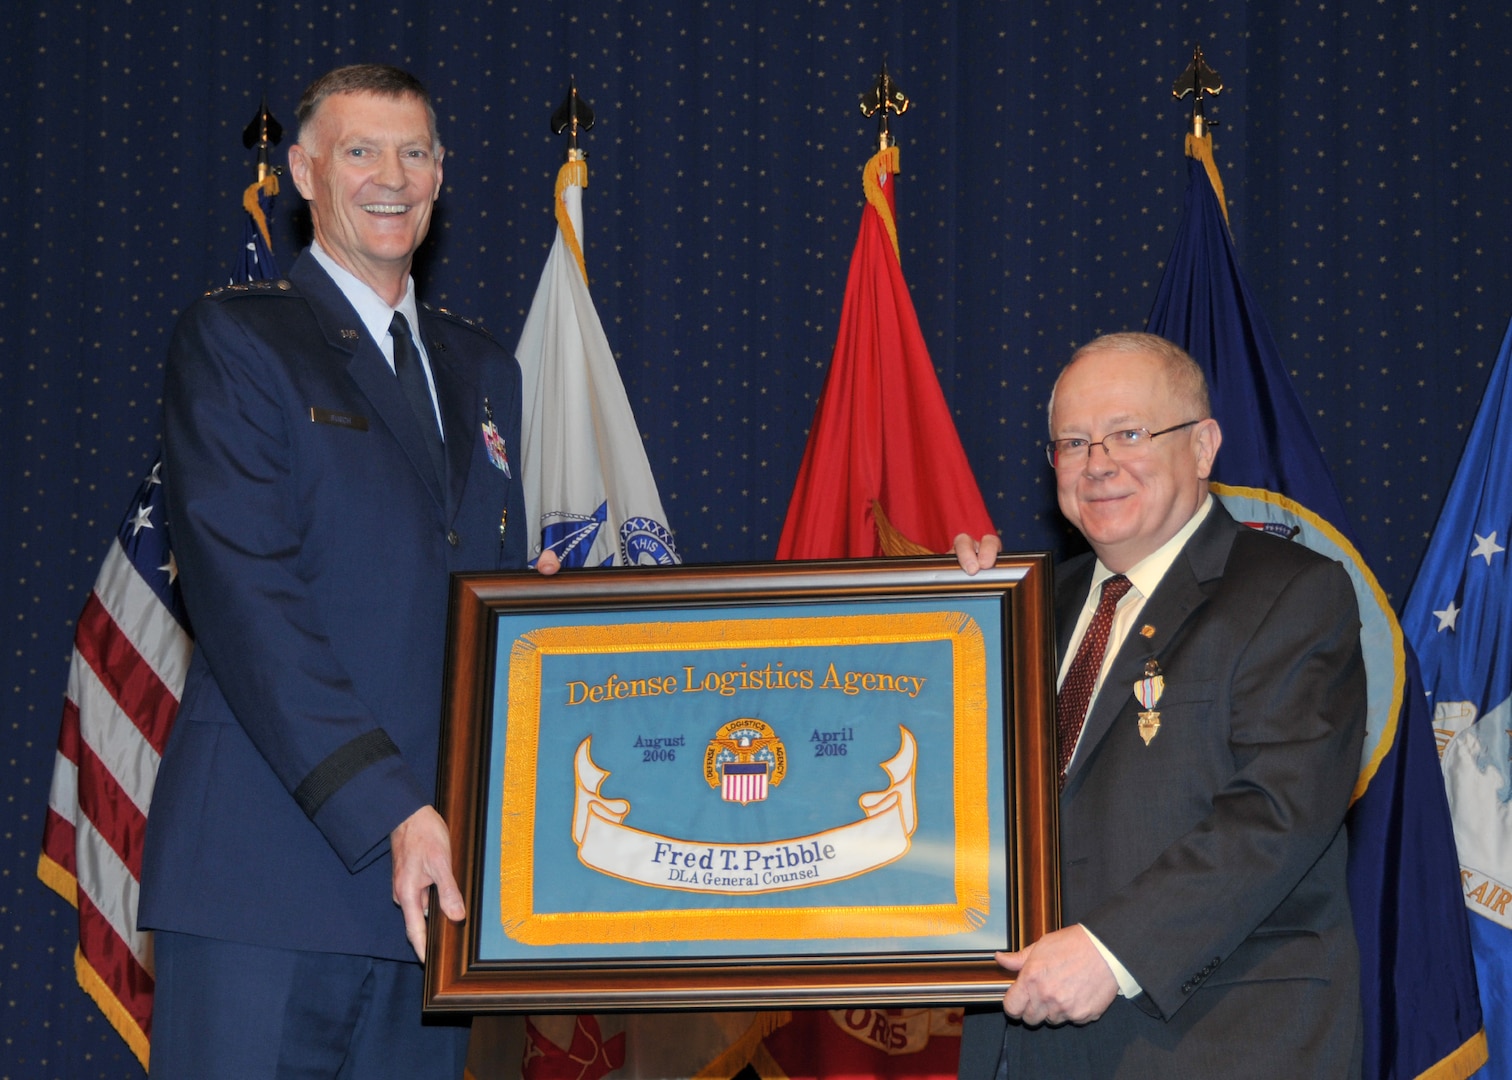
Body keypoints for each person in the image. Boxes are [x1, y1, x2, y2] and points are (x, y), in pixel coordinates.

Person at [139, 64, 554, 1077]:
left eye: (415, 153)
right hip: (265, 886)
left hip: (428, 910)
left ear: (442, 175)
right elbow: (249, 604)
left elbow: (458, 591)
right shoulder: (239, 339)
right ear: (303, 171)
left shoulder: (484, 367)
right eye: (360, 151)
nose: (391, 177)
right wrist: (393, 810)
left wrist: (545, 627)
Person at [953, 332, 1365, 1078]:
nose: (1098, 462)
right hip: (1023, 1045)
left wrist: (1113, 952)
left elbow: (1278, 811)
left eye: (1128, 433)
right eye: (1073, 442)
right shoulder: (1021, 609)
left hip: (1212, 1042)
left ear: (1204, 446)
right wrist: (943, 628)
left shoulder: (1292, 593)